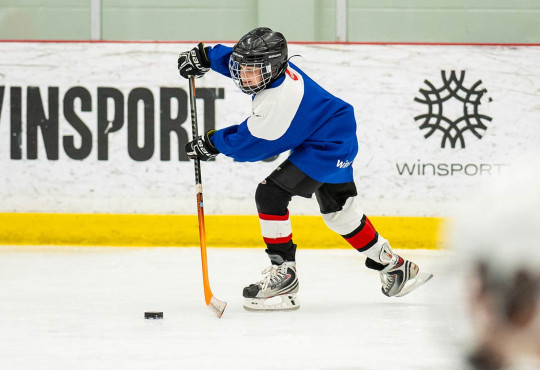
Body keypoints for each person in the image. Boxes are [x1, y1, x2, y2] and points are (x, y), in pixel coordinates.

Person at [177, 27, 432, 311]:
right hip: (330, 129)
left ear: (273, 68)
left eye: (252, 71)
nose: (243, 76)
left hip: (327, 144)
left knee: (270, 195)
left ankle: (285, 275)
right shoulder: (271, 69)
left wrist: (212, 143)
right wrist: (207, 57)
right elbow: (242, 61)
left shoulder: (277, 103)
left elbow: (251, 146)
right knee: (341, 214)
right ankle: (395, 267)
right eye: (241, 68)